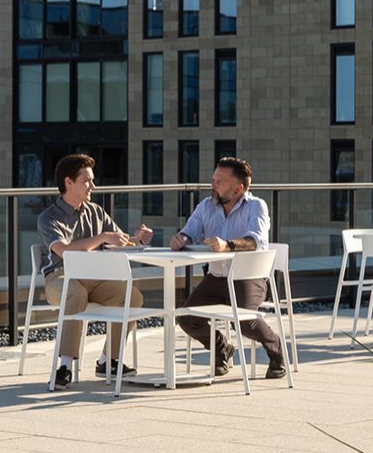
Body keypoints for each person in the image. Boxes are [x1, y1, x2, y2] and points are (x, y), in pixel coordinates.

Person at [38, 153, 154, 388]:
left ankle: (107, 360)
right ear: (68, 183)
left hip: (95, 278)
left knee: (132, 296)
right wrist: (101, 237)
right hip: (60, 278)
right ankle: (65, 365)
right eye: (87, 181)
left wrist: (139, 240)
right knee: (76, 292)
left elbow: (119, 241)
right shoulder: (48, 217)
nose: (93, 186)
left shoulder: (96, 211)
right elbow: (65, 251)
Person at [171, 157, 287, 379]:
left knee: (242, 321)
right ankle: (221, 349)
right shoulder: (206, 205)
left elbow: (256, 241)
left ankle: (277, 351)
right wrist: (181, 238)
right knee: (186, 318)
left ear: (238, 188)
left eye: (219, 182)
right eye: (214, 179)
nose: (213, 185)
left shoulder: (256, 206)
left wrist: (228, 245)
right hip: (216, 277)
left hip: (248, 277)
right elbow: (190, 231)